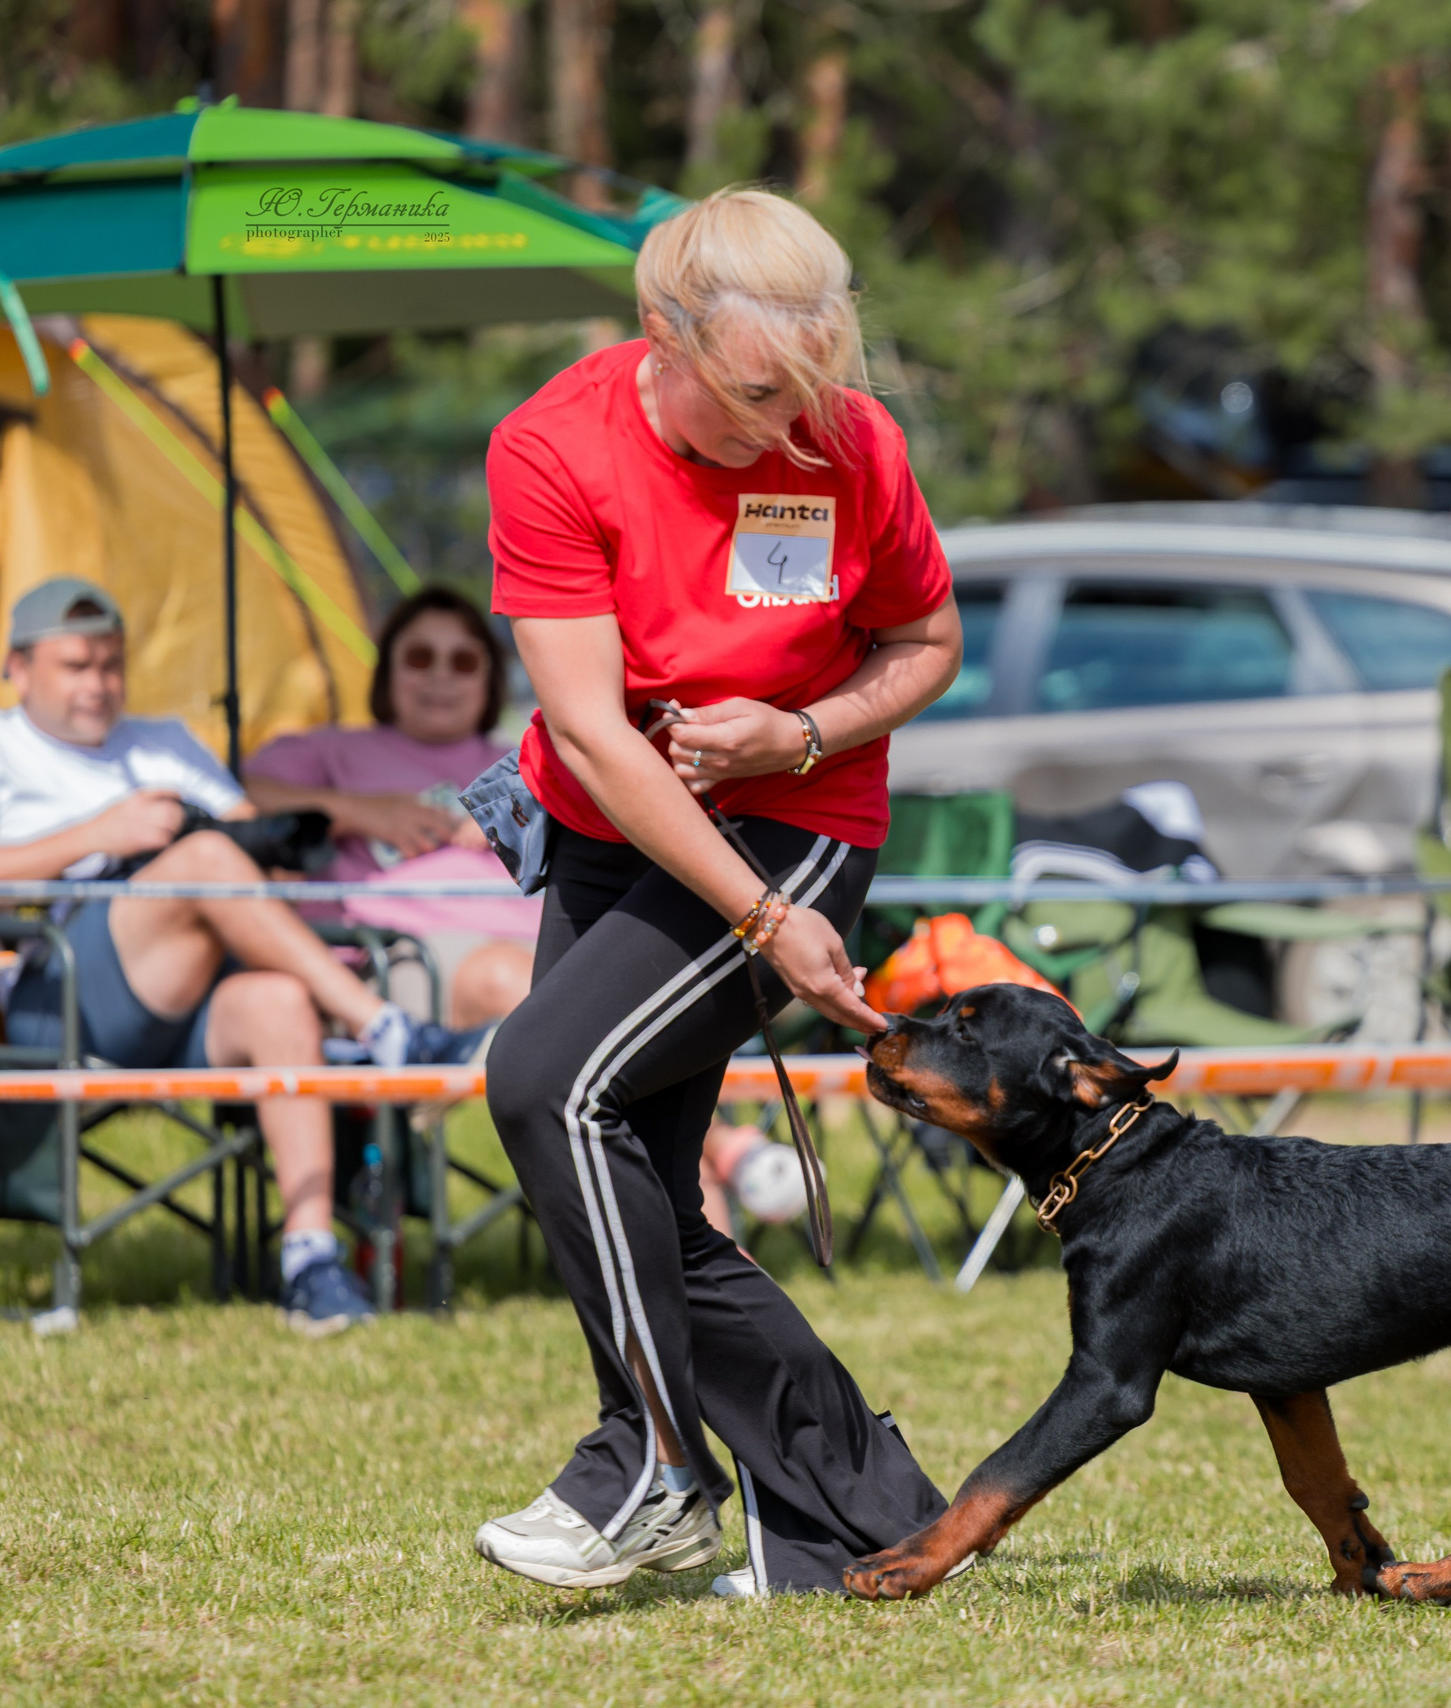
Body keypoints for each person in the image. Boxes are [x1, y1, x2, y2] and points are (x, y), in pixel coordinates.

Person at [471, 188, 963, 1595]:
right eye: (756, 392)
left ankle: (651, 1470)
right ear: (661, 333)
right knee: (630, 1179)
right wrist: (757, 921)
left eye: (811, 385)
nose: (787, 424)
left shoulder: (849, 440)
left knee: (546, 1083)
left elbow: (927, 643)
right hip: (619, 824)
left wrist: (797, 734)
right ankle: (866, 1513)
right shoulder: (551, 448)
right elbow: (590, 735)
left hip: (801, 819)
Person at [0, 578, 489, 1335]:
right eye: (76, 665)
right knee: (205, 858)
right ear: (16, 668)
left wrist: (275, 852)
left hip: (196, 993)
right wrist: (98, 836)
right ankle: (384, 1027)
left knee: (277, 998)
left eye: (112, 664)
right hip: (65, 998)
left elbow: (256, 848)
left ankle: (310, 1258)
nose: (98, 684)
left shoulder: (165, 743)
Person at [243, 586, 538, 1028]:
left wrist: (521, 816)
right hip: (401, 957)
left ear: (489, 676)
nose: (441, 676)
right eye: (420, 658)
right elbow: (234, 794)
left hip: (538, 945)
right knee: (510, 980)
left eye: (462, 661)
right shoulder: (332, 750)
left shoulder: (527, 758)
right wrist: (353, 811)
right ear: (387, 670)